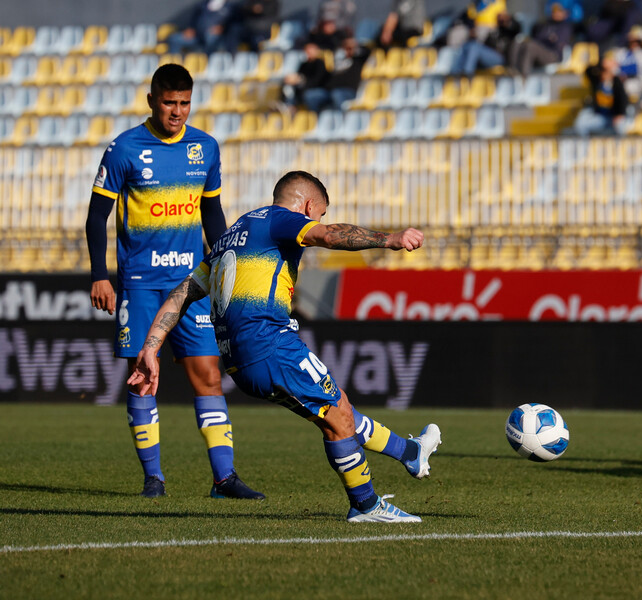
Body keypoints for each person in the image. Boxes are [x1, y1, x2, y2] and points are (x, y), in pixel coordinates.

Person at [127, 170, 442, 522]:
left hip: (237, 359)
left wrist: (150, 348)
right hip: (268, 341)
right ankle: (366, 505)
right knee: (337, 413)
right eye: (318, 212)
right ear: (308, 206)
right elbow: (329, 235)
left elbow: (182, 292)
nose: (317, 220)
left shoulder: (231, 236)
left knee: (335, 412)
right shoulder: (281, 219)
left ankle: (410, 452)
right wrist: (390, 239)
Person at [85, 64, 265, 499]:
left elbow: (212, 212)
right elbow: (96, 217)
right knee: (144, 376)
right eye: (170, 102)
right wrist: (100, 277)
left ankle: (224, 479)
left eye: (185, 103)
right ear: (152, 100)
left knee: (208, 374)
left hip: (193, 284)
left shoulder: (205, 147)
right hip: (141, 283)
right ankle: (154, 478)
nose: (178, 111)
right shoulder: (124, 148)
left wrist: (223, 264)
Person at [507, 1, 574, 77]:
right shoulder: (546, 24)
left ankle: (524, 77)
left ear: (565, 13)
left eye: (559, 11)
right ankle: (513, 71)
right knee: (518, 42)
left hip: (553, 55)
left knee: (530, 46)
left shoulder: (565, 27)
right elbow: (538, 37)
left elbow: (558, 42)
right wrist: (549, 38)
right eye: (554, 11)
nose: (555, 13)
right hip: (541, 51)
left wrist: (547, 39)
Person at [304, 36, 370, 112]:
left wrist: (354, 47)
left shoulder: (358, 60)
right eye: (345, 46)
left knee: (337, 94)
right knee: (311, 95)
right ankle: (317, 120)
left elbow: (369, 50)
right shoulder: (334, 60)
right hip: (329, 91)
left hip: (347, 91)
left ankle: (343, 120)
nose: (347, 49)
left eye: (349, 47)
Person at [449, 10, 521, 77]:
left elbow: (516, 27)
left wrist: (507, 20)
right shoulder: (495, 29)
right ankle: (456, 73)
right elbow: (485, 42)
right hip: (487, 55)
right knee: (468, 45)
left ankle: (467, 75)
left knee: (474, 47)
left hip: (500, 57)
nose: (500, 18)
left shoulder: (510, 31)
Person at [571, 54, 628, 135]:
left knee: (621, 126)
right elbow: (588, 70)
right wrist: (601, 63)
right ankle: (586, 146)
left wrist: (619, 114)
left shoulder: (616, 81)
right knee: (580, 124)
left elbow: (622, 99)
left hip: (613, 117)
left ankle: (622, 147)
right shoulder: (597, 80)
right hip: (600, 117)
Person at [165, 0, 242, 55]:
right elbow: (194, 18)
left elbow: (234, 23)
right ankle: (174, 64)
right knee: (174, 39)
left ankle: (206, 61)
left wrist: (222, 27)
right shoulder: (203, 4)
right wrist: (190, 28)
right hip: (197, 36)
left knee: (212, 37)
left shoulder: (231, 8)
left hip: (216, 40)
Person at [282, 42, 330, 109]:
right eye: (307, 50)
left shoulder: (321, 64)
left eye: (311, 50)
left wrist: (301, 80)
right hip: (305, 90)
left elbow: (317, 81)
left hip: (320, 90)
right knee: (288, 88)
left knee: (308, 95)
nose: (308, 53)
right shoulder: (303, 65)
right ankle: (289, 106)